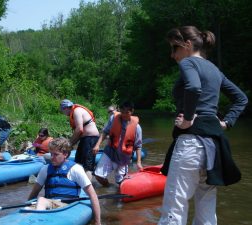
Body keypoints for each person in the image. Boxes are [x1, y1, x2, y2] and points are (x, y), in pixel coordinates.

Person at [158, 26, 248, 225]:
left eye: (175, 48)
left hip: (190, 143)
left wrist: (189, 118)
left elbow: (193, 87)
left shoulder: (189, 62)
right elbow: (241, 99)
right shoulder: (215, 70)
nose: (172, 55)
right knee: (207, 212)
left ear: (188, 45)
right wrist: (226, 123)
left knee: (174, 207)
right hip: (213, 147)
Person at [28, 138, 101, 225]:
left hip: (67, 206)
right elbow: (34, 193)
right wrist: (28, 205)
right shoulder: (45, 169)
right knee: (37, 203)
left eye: (55, 154)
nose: (52, 157)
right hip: (50, 205)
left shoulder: (75, 169)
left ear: (65, 154)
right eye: (51, 154)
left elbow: (92, 195)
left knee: (42, 200)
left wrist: (97, 222)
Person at [93, 101, 143, 186]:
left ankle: (118, 193)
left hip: (123, 157)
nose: (124, 115)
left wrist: (138, 162)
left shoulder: (137, 128)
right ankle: (108, 188)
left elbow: (138, 146)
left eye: (127, 112)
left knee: (121, 183)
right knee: (98, 176)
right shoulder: (113, 118)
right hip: (110, 151)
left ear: (132, 111)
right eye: (122, 112)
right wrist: (97, 145)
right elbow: (105, 132)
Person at [60, 99, 100, 178]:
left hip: (90, 139)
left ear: (66, 108)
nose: (64, 113)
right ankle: (78, 182)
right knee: (78, 162)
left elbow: (79, 129)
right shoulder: (74, 111)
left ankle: (87, 187)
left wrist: (69, 143)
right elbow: (79, 133)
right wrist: (70, 145)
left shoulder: (76, 111)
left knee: (87, 166)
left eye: (63, 111)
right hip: (85, 139)